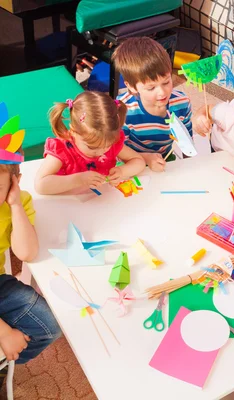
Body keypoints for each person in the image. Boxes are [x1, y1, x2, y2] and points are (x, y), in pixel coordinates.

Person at [0, 151, 61, 372]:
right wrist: (4, 332)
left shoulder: (18, 200)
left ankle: (5, 365)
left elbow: (26, 252)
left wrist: (15, 205)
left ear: (14, 183)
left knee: (49, 327)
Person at [35, 92, 145, 195]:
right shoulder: (62, 149)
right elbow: (40, 186)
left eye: (107, 146)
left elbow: (138, 161)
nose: (101, 152)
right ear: (74, 131)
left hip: (101, 203)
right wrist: (79, 179)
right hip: (68, 205)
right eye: (92, 147)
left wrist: (121, 171)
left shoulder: (109, 140)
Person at [112, 37, 194, 172]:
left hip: (165, 159)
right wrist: (145, 159)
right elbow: (116, 151)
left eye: (166, 82)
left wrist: (189, 169)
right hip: (130, 164)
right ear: (132, 86)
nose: (162, 92)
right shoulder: (123, 110)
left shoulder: (182, 103)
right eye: (151, 88)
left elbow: (186, 141)